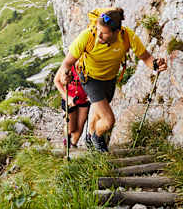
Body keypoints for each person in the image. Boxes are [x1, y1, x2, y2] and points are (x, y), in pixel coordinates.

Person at [56, 8, 166, 152]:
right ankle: (97, 137)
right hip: (89, 79)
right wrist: (65, 73)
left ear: (116, 32)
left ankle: (89, 138)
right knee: (108, 120)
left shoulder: (127, 37)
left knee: (98, 112)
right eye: (98, 30)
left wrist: (156, 64)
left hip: (109, 80)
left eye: (104, 33)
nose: (99, 36)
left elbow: (146, 57)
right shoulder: (88, 36)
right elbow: (67, 62)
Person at [53, 63, 90, 148]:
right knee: (71, 128)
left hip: (84, 99)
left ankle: (73, 145)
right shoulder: (68, 63)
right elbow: (56, 80)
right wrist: (67, 97)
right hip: (69, 99)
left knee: (80, 126)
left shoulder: (89, 63)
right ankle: (67, 140)